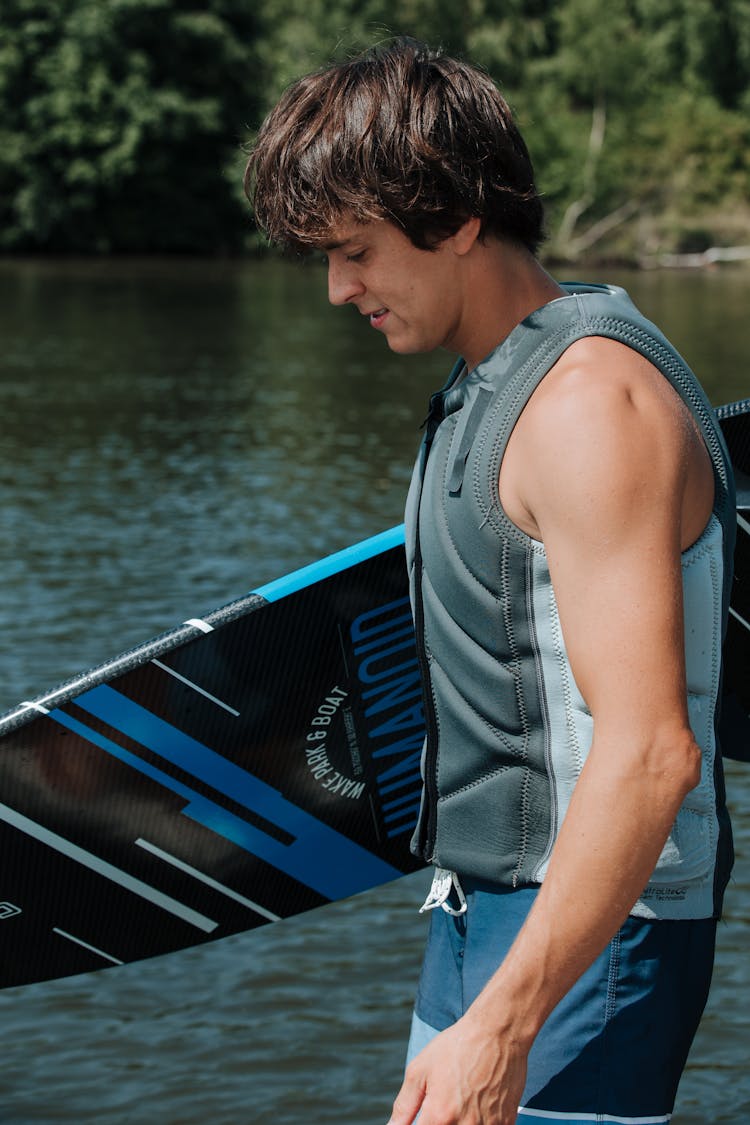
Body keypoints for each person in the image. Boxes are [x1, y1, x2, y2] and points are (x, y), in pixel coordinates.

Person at [245, 38, 736, 1125]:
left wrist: (507, 1022)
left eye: (357, 252)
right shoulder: (496, 380)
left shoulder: (586, 407)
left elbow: (652, 752)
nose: (336, 289)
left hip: (598, 934)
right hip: (479, 908)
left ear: (460, 219)